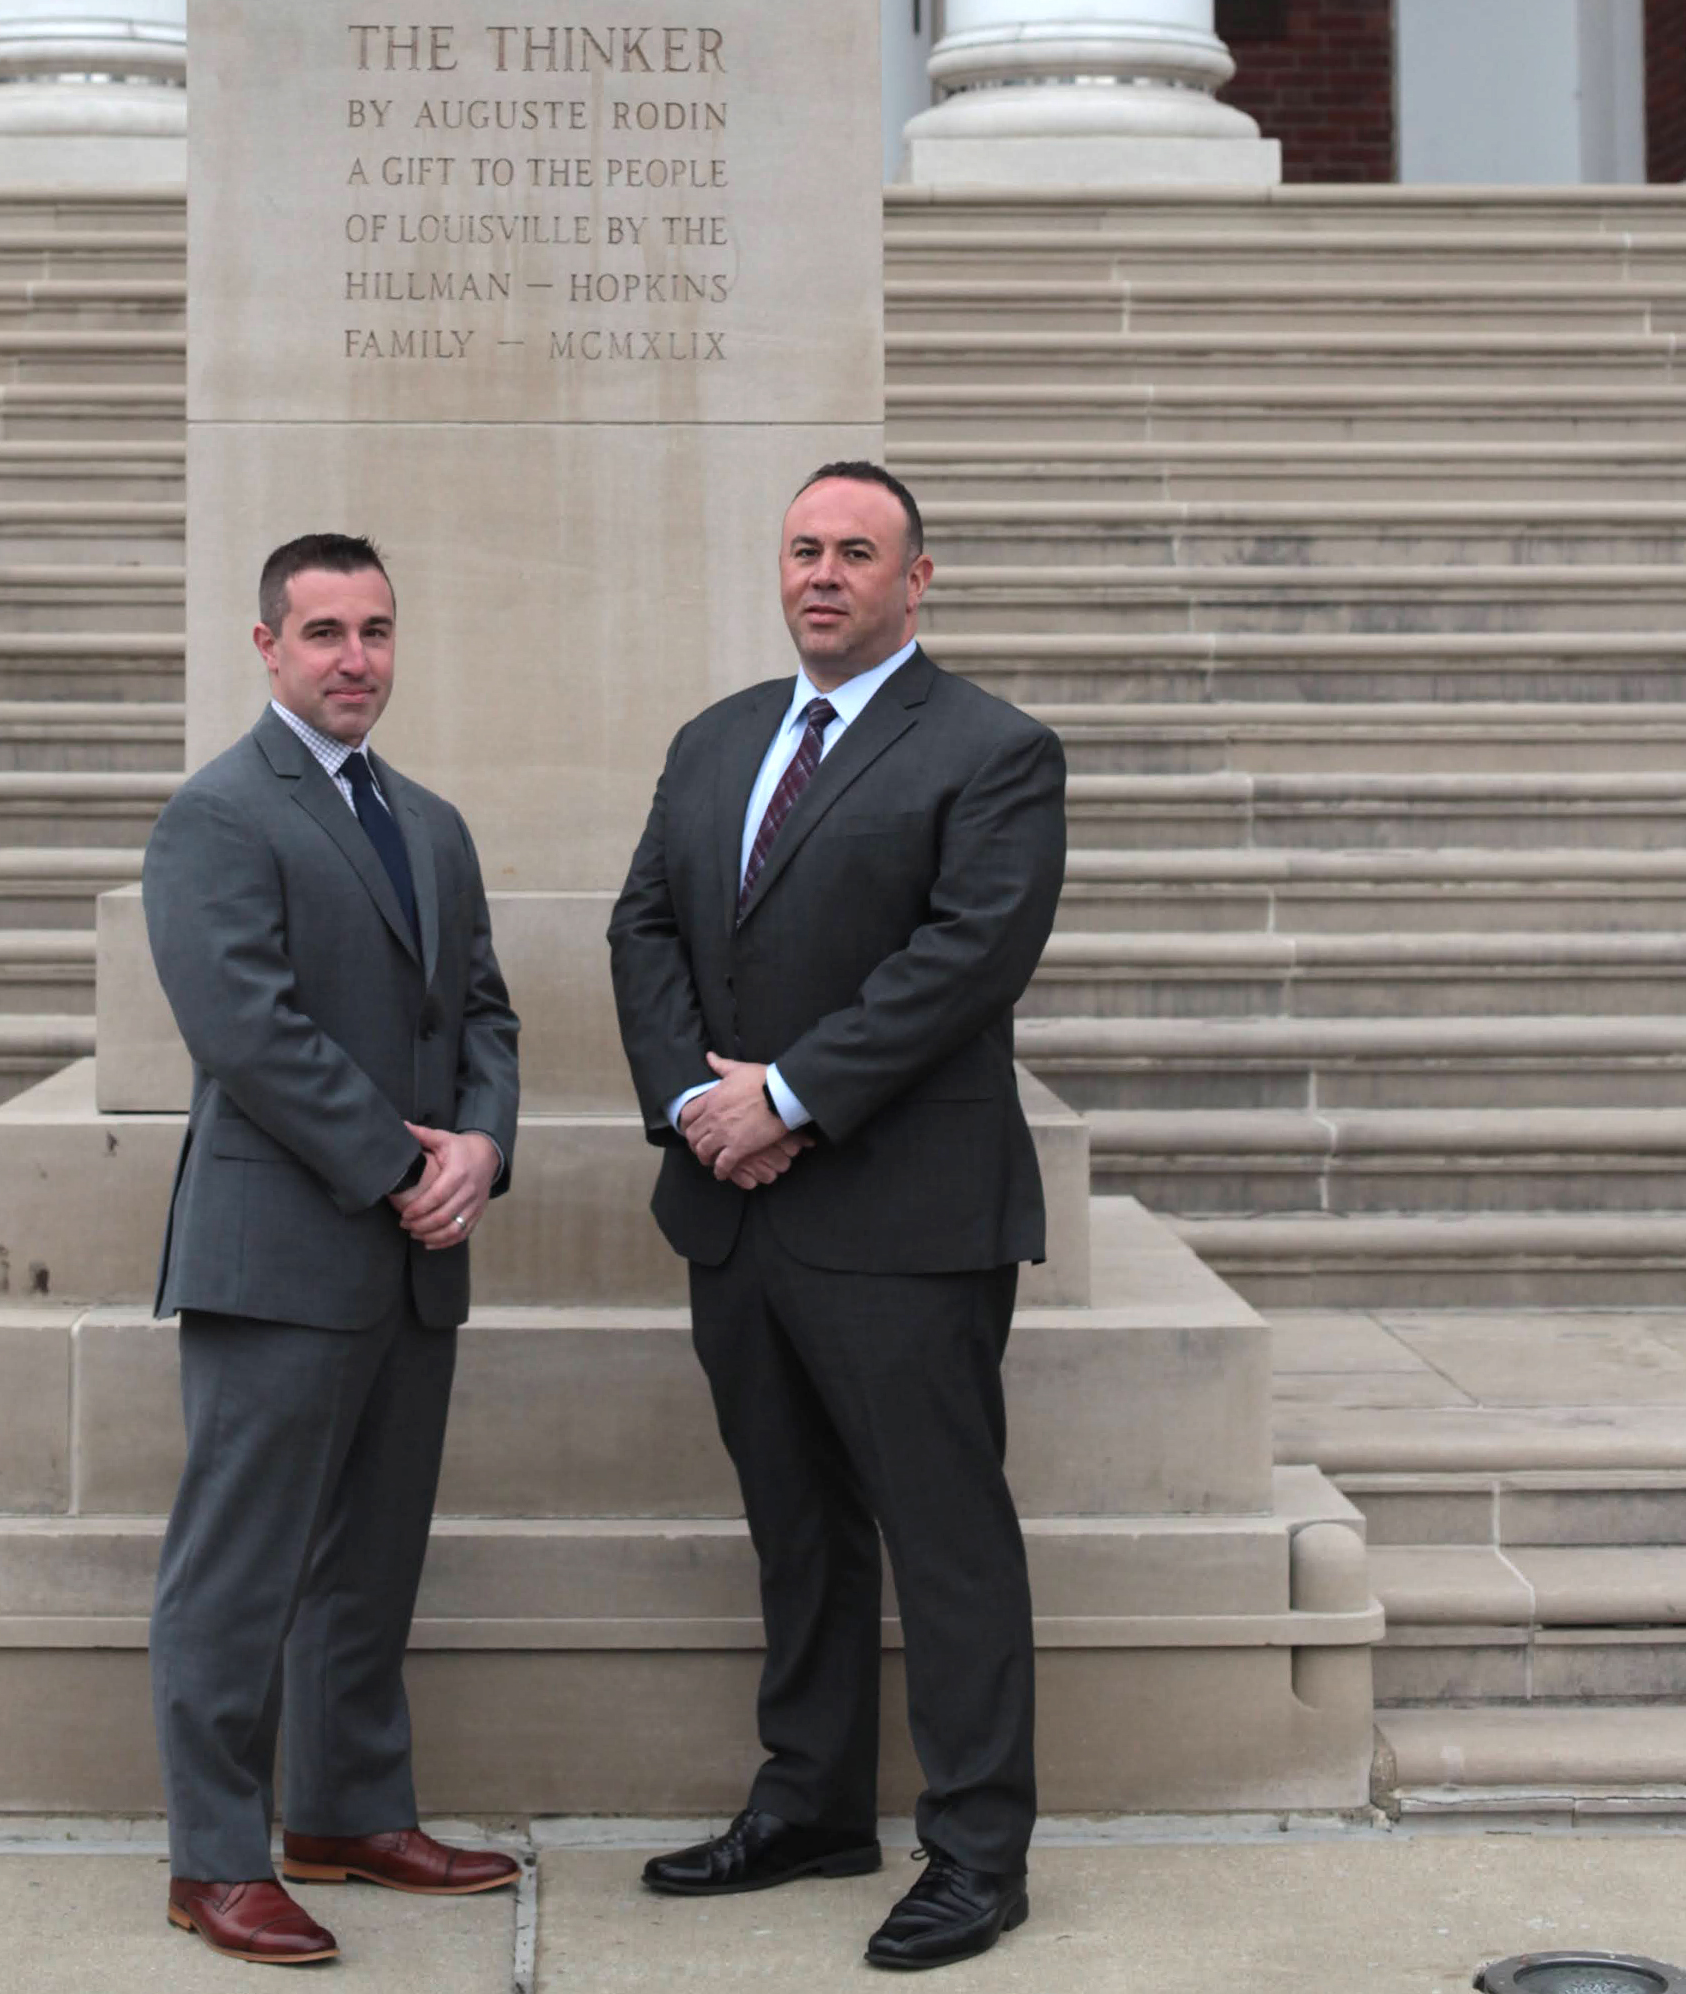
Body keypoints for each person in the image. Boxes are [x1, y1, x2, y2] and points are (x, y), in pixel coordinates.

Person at [608, 464, 1067, 1972]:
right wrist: (696, 1101)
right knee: (794, 1526)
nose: (823, 573)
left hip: (904, 1217)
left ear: (916, 576)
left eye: (855, 551)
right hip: (735, 1213)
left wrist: (787, 1094)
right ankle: (809, 1801)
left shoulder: (994, 749)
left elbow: (965, 955)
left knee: (945, 1539)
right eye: (803, 547)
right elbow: (647, 924)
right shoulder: (717, 736)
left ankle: (978, 1852)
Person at [143, 532, 522, 1966]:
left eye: (373, 629)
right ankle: (215, 1857)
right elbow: (247, 1029)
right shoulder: (218, 814)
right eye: (323, 632)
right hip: (280, 1249)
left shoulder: (427, 821)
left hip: (413, 1252)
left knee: (370, 1555)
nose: (354, 657)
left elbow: (483, 1008)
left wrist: (479, 1144)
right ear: (267, 645)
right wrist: (400, 1164)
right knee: (237, 1569)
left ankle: (348, 1811)